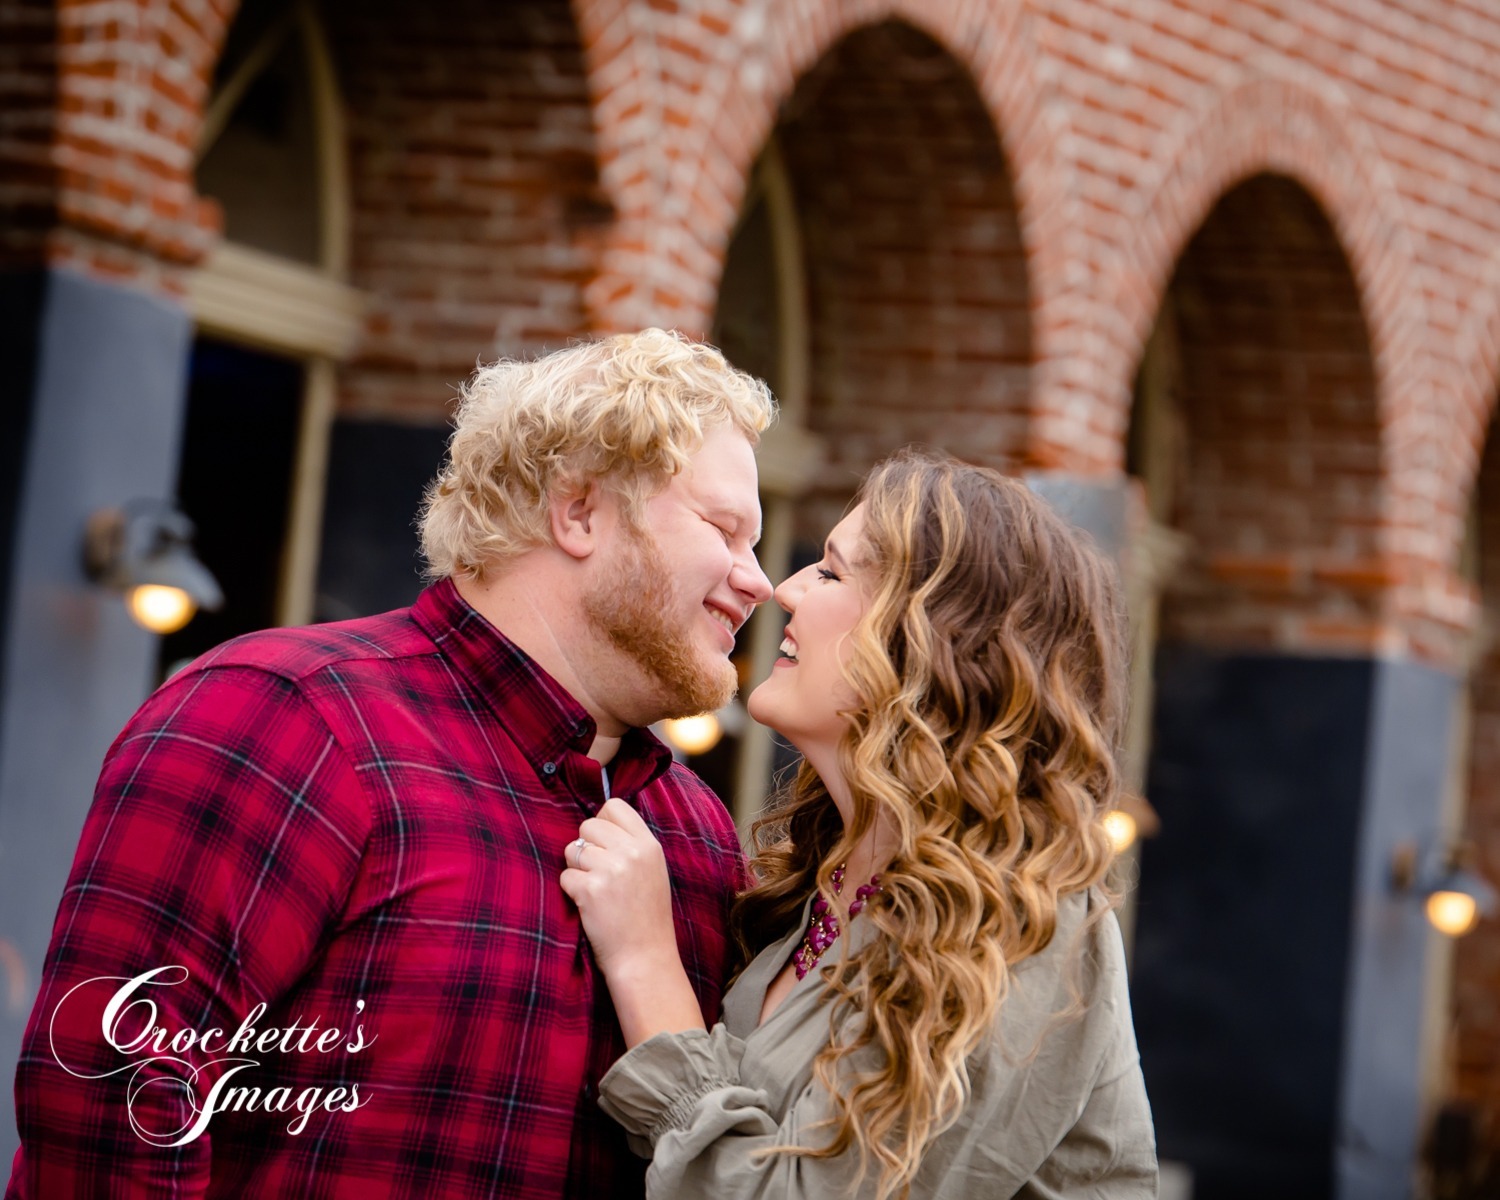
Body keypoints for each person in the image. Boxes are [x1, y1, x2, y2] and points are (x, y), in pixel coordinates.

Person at [6, 329, 775, 1198]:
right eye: (724, 529)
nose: (759, 581)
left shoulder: (698, 836)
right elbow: (110, 1104)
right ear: (580, 512)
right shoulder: (287, 716)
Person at [560, 450, 1158, 1199]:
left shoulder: (1022, 925)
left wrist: (646, 967)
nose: (783, 588)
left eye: (831, 573)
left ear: (928, 645)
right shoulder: (826, 887)